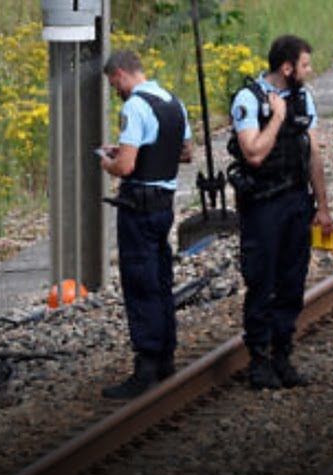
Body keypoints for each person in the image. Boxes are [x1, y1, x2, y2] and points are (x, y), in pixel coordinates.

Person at [227, 35, 333, 390]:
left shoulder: (303, 97)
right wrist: (277, 119)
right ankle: (259, 360)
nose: (310, 71)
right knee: (262, 281)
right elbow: (254, 153)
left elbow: (313, 154)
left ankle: (282, 354)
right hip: (262, 205)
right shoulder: (249, 100)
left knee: (292, 281)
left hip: (295, 201)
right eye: (305, 65)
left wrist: (323, 206)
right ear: (286, 68)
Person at [98, 49, 193, 400]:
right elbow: (186, 152)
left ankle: (147, 362)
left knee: (139, 281)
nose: (115, 90)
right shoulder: (173, 102)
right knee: (161, 277)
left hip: (138, 206)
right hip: (164, 204)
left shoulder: (135, 106)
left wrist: (109, 161)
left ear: (121, 74)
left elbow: (125, 167)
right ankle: (166, 353)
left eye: (113, 84)